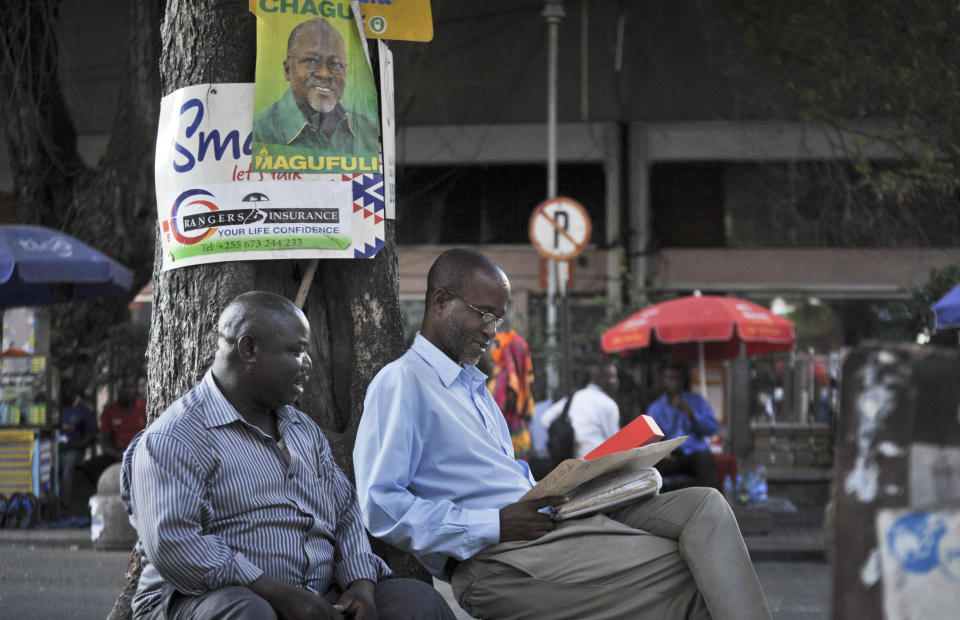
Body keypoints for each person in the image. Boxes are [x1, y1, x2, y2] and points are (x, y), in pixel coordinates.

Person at [354, 248, 771, 620]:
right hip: (498, 561)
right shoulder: (402, 383)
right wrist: (492, 524)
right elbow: (382, 508)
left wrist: (582, 486)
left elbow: (506, 481)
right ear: (441, 302)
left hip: (550, 522)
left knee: (705, 507)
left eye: (497, 318)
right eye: (483, 314)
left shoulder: (476, 389)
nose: (491, 330)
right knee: (693, 569)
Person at [120, 291, 454, 620]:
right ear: (249, 349)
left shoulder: (302, 429)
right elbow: (174, 546)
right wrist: (277, 593)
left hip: (316, 597)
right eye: (297, 351)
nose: (308, 364)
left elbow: (346, 512)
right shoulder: (176, 438)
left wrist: (360, 584)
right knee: (248, 612)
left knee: (417, 601)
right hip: (206, 600)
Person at [253, 18, 379, 154]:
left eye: (336, 64)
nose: (324, 74)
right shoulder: (260, 132)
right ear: (288, 70)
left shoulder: (367, 131)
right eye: (311, 61)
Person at [648, 362, 721, 489]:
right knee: (651, 469)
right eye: (670, 378)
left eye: (677, 378)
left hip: (695, 452)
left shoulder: (697, 401)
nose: (674, 382)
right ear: (663, 380)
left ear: (683, 380)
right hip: (671, 455)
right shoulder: (656, 408)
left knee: (706, 460)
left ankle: (710, 503)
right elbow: (651, 439)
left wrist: (691, 414)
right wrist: (662, 451)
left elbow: (712, 429)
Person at [539, 362, 621, 459]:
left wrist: (567, 435)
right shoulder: (608, 404)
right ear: (599, 378)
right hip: (600, 463)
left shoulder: (575, 397)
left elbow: (545, 419)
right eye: (612, 377)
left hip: (575, 462)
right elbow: (616, 443)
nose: (616, 381)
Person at [81, 376, 146, 486]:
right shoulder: (109, 411)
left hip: (141, 453)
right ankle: (105, 489)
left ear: (136, 389)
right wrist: (116, 454)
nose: (127, 391)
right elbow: (103, 438)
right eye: (123, 388)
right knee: (89, 466)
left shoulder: (145, 408)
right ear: (118, 390)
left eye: (130, 387)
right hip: (117, 454)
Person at [58, 387, 96, 514]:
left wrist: (71, 446)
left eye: (66, 390)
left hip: (74, 450)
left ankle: (64, 506)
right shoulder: (56, 407)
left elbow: (89, 438)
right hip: (55, 448)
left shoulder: (83, 410)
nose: (64, 393)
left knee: (67, 465)